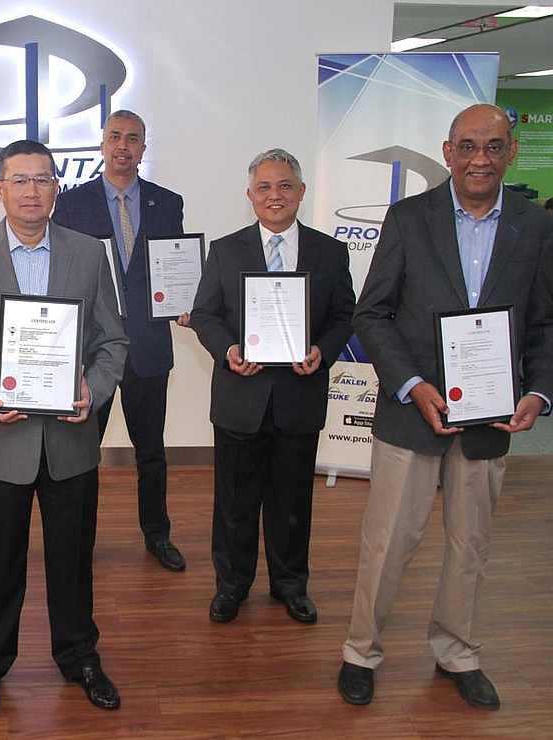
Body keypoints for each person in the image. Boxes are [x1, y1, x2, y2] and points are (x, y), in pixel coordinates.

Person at [339, 104, 553, 710]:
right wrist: (413, 385)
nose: (480, 159)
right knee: (388, 542)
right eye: (467, 147)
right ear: (448, 151)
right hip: (413, 414)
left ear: (511, 151)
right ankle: (361, 651)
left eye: (493, 146)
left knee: (471, 544)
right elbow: (372, 314)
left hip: (490, 418)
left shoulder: (536, 226)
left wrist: (538, 391)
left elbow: (544, 322)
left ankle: (458, 651)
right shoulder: (409, 218)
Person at [0, 139, 128, 717]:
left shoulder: (88, 254)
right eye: (19, 180)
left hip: (70, 441)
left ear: (56, 188)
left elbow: (112, 340)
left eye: (42, 179)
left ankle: (80, 657)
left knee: (73, 558)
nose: (31, 191)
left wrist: (95, 387)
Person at [190, 149, 354, 625]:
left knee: (293, 501)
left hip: (300, 397)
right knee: (234, 503)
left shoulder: (330, 252)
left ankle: (290, 585)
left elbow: (345, 315)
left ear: (301, 191)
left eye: (284, 186)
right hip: (241, 398)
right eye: (264, 187)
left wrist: (323, 349)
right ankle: (232, 586)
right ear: (250, 195)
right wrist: (228, 350)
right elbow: (205, 315)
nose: (274, 196)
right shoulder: (226, 250)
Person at [52, 110, 188, 572]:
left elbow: (175, 267)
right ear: (102, 144)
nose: (123, 146)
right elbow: (65, 272)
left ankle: (157, 534)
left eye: (133, 138)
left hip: (149, 347)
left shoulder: (167, 203)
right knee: (83, 452)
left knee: (151, 451)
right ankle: (79, 538)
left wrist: (185, 300)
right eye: (115, 137)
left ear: (143, 148)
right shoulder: (72, 203)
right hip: (94, 350)